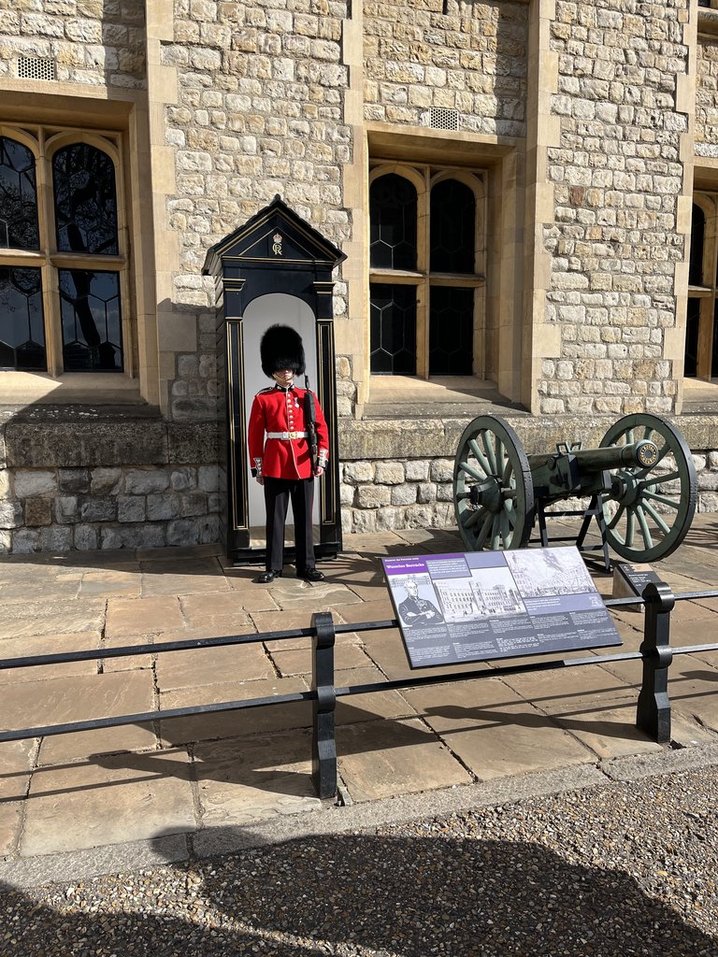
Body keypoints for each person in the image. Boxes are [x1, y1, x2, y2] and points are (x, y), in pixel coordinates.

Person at [248, 324, 329, 584]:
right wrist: (258, 468)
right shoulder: (263, 399)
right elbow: (254, 436)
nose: (286, 372)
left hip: (305, 463)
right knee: (276, 519)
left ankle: (307, 565)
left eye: (290, 367)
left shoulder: (307, 396)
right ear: (273, 370)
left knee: (305, 519)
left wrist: (321, 461)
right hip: (275, 465)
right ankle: (273, 566)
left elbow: (321, 429)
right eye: (282, 368)